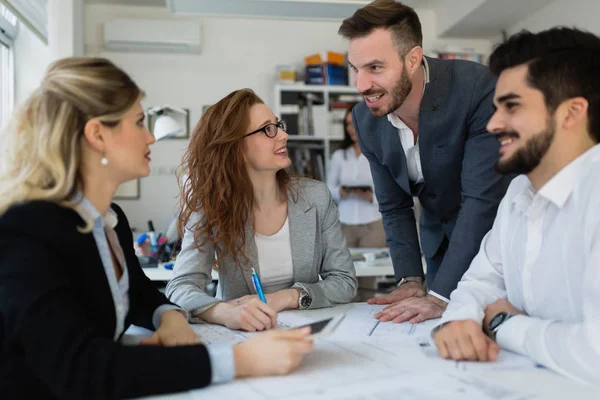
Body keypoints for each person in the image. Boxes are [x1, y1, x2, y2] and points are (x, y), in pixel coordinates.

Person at [0, 57, 313, 400]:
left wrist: (169, 317)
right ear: (98, 135)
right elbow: (81, 368)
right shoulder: (26, 231)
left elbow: (137, 293)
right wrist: (239, 360)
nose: (150, 137)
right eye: (139, 122)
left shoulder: (110, 222)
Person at [433, 27, 600, 386]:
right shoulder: (519, 190)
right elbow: (480, 280)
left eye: (511, 106)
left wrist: (502, 323)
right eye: (495, 108)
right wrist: (459, 319)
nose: (493, 124)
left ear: (572, 112)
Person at [338, 0, 511, 323]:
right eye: (355, 68)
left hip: (493, 246)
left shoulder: (475, 88)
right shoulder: (365, 119)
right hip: (438, 248)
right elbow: (394, 207)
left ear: (413, 59)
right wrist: (410, 280)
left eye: (375, 68)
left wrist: (440, 294)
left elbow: (480, 200)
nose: (360, 85)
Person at [166, 89, 358, 332]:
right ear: (236, 147)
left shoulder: (316, 197)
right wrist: (225, 312)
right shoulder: (212, 205)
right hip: (242, 336)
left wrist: (286, 297)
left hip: (309, 332)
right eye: (268, 129)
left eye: (279, 125)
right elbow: (180, 286)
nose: (284, 135)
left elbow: (344, 282)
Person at [327, 105, 386, 248]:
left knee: (372, 269)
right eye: (347, 124)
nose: (351, 128)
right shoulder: (339, 156)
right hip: (344, 223)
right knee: (344, 268)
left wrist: (371, 197)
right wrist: (340, 192)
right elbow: (328, 190)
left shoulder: (380, 154)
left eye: (354, 123)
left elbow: (390, 190)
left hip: (373, 222)